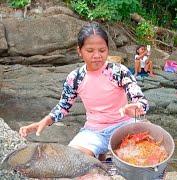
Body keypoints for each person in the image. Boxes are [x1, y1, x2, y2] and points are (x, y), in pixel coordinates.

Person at [19, 22, 149, 161]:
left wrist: (138, 107)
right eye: (90, 50)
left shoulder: (118, 71)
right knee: (73, 160)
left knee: (147, 154)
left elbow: (140, 99)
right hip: (94, 132)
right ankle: (100, 155)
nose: (97, 55)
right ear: (79, 51)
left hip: (124, 128)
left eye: (102, 50)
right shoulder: (75, 78)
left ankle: (105, 157)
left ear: (108, 49)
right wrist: (44, 121)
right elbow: (63, 107)